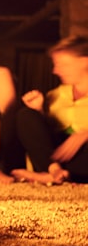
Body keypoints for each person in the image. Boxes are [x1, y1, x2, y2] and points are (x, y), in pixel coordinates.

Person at [11, 36, 88, 184]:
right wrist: (39, 111)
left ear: (84, 61)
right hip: (56, 158)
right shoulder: (56, 95)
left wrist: (84, 135)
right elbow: (42, 138)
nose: (55, 71)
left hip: (84, 156)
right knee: (26, 115)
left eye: (62, 65)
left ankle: (55, 177)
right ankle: (54, 171)